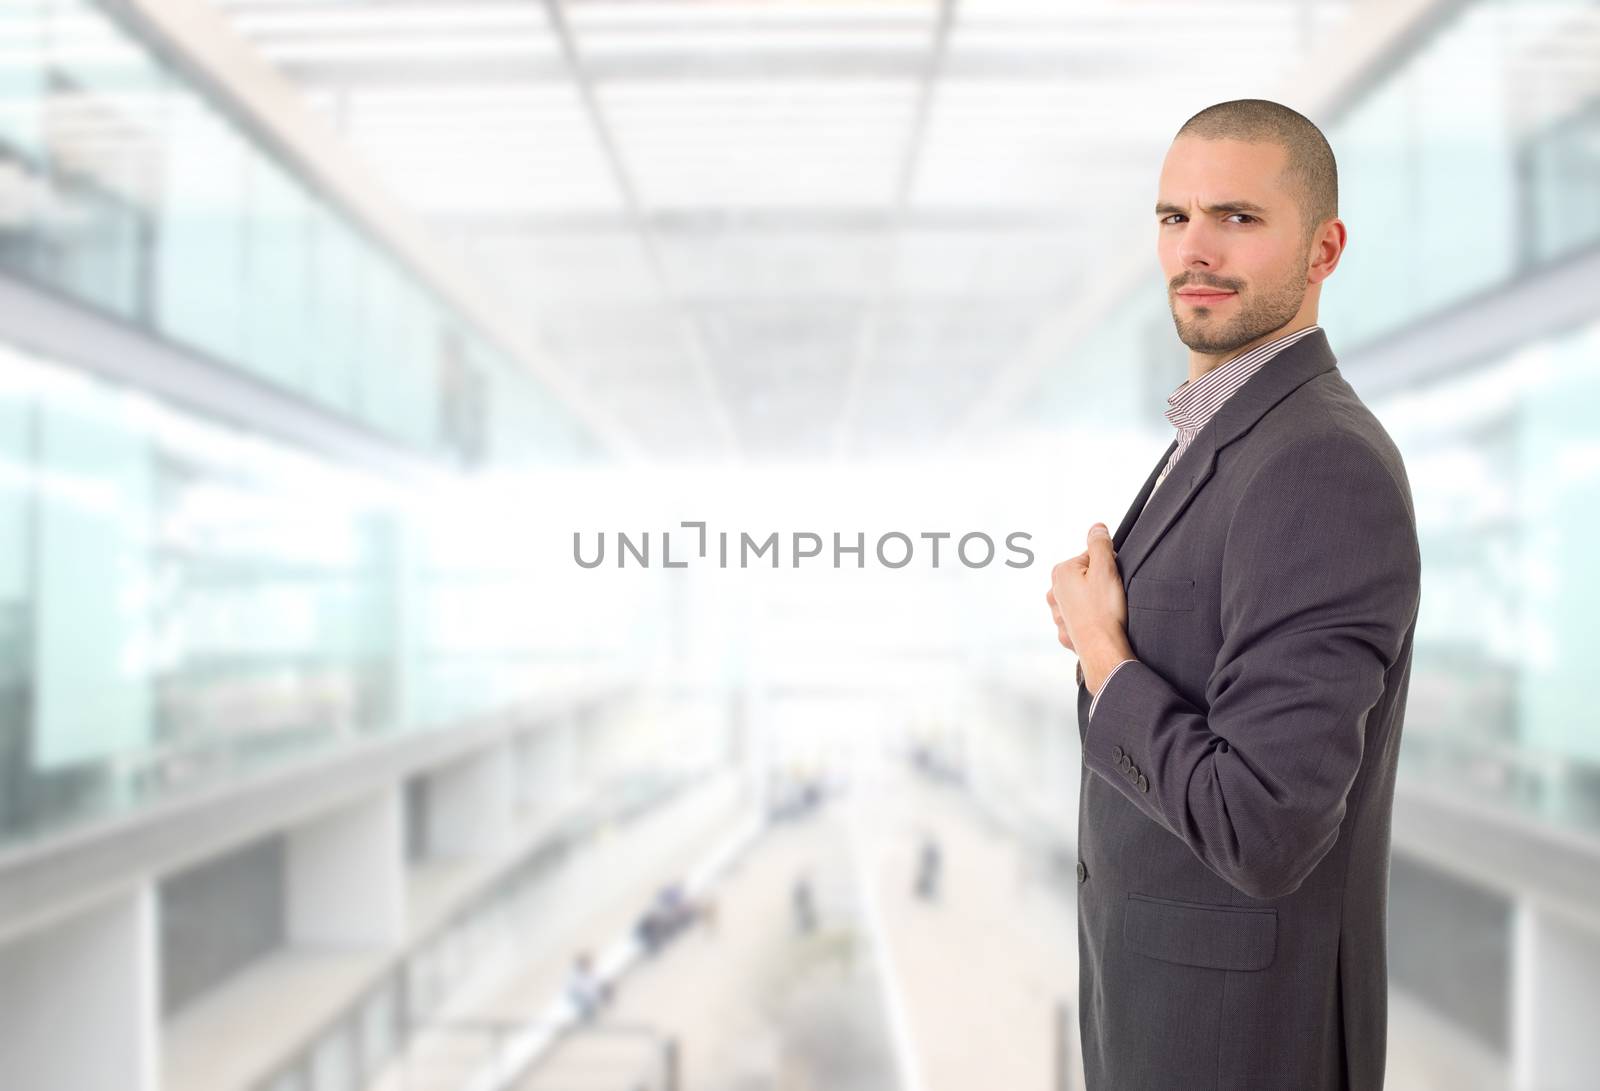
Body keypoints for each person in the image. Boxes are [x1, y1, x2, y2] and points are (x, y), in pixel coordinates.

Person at [1045, 98, 1422, 1091]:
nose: (1194, 249)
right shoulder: (1226, 436)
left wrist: (1102, 654)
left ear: (1322, 248)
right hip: (1173, 1020)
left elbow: (1262, 825)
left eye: (1237, 218)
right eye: (1174, 218)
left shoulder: (1318, 462)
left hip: (1238, 1045)